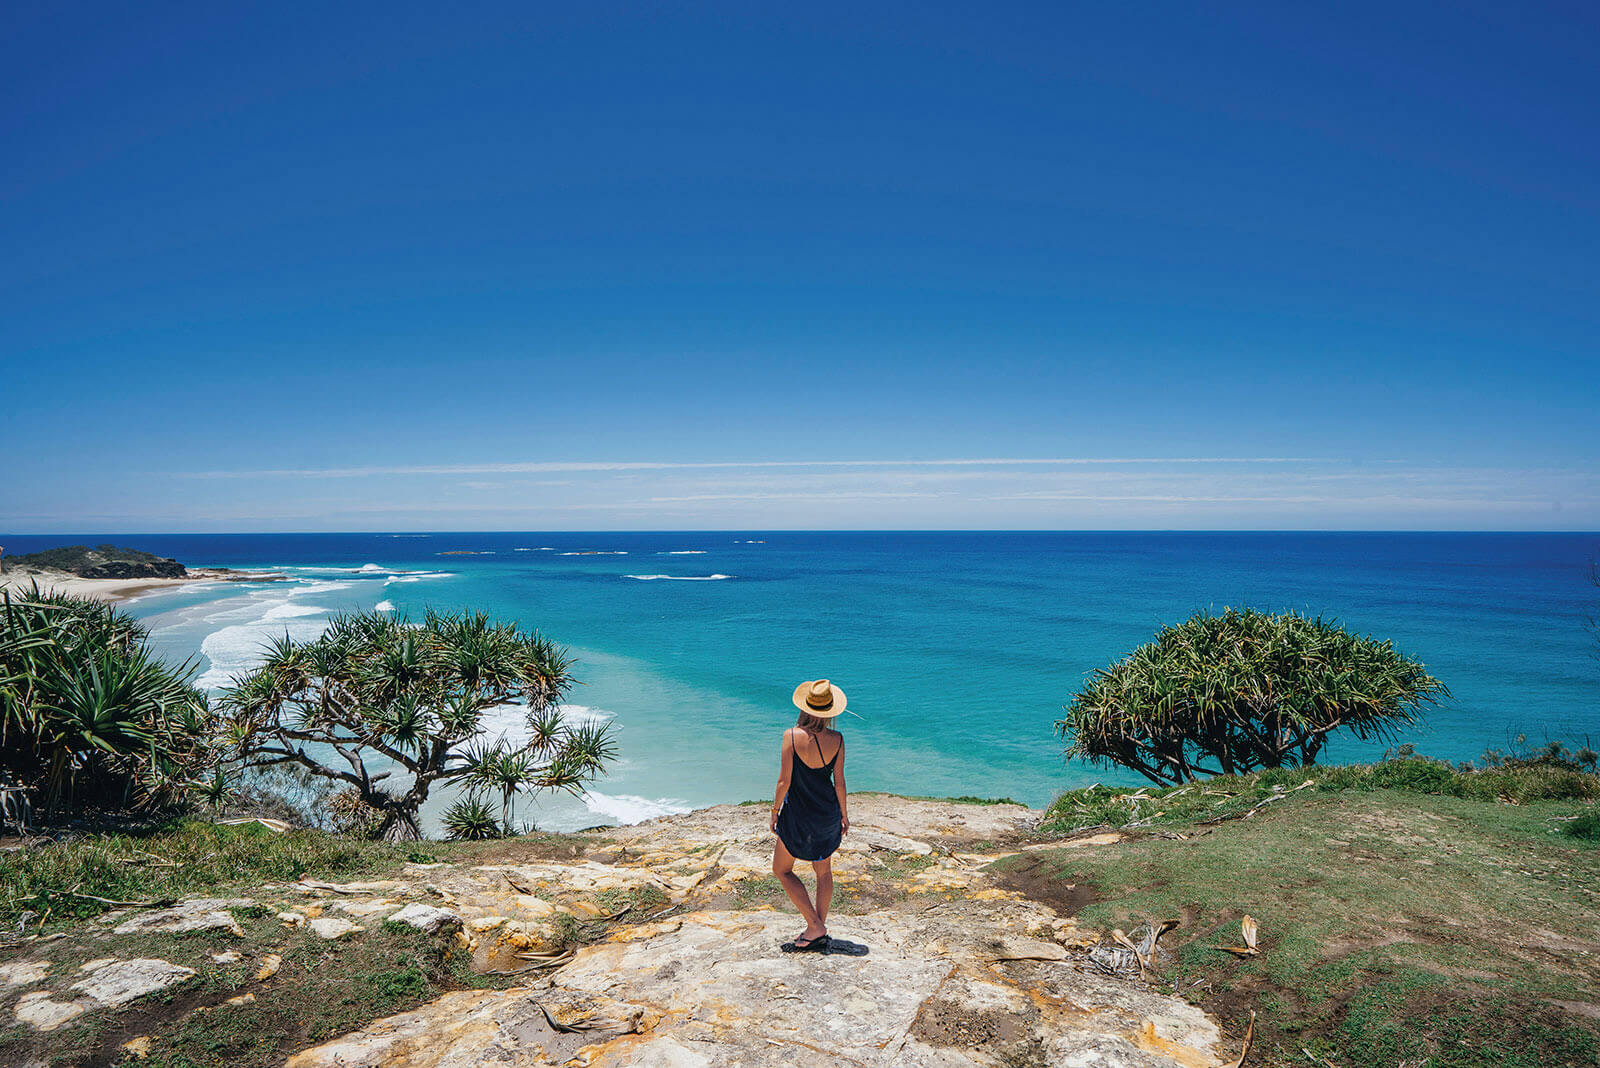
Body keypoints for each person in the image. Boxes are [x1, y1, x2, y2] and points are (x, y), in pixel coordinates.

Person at [770, 677, 849, 953]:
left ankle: (815, 927)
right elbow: (839, 782)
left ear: (805, 707)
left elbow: (784, 781)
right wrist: (844, 814)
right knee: (823, 871)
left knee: (781, 869)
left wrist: (774, 810)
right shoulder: (837, 740)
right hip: (826, 813)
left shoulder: (791, 736)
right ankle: (817, 927)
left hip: (798, 815)